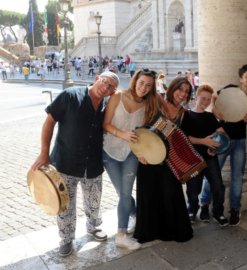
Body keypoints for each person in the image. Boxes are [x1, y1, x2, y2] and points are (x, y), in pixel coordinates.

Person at [30, 71, 120, 257]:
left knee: (94, 201)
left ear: (113, 92)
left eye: (111, 86)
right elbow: (48, 123)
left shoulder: (109, 105)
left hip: (93, 164)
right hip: (65, 163)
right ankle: (66, 239)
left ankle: (93, 227)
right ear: (96, 78)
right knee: (65, 205)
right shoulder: (70, 95)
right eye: (105, 82)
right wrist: (44, 153)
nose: (106, 87)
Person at [102, 69, 158, 250]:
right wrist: (122, 134)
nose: (144, 88)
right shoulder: (117, 96)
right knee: (122, 194)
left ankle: (121, 234)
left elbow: (143, 133)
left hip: (132, 154)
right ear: (135, 81)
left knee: (125, 194)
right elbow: (105, 124)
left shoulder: (149, 104)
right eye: (141, 83)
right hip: (109, 152)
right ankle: (134, 213)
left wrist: (143, 152)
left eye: (148, 85)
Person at [133, 77, 193, 243]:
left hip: (169, 160)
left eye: (187, 92)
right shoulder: (157, 103)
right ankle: (148, 232)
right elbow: (141, 125)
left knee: (170, 193)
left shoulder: (184, 114)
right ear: (172, 88)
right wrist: (139, 152)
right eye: (180, 89)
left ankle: (170, 232)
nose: (182, 94)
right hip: (148, 155)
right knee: (148, 194)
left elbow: (185, 139)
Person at [199, 64, 247, 226]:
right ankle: (204, 204)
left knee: (238, 176)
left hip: (240, 141)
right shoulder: (231, 89)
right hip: (223, 138)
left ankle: (235, 209)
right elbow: (214, 98)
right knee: (213, 173)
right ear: (241, 79)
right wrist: (216, 110)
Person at [181, 85, 229, 226]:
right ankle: (192, 210)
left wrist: (214, 148)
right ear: (196, 97)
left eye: (208, 99)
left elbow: (222, 134)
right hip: (193, 159)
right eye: (203, 98)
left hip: (210, 158)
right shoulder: (187, 115)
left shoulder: (210, 117)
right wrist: (204, 141)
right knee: (192, 189)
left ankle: (218, 212)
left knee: (218, 186)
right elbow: (185, 138)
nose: (206, 101)